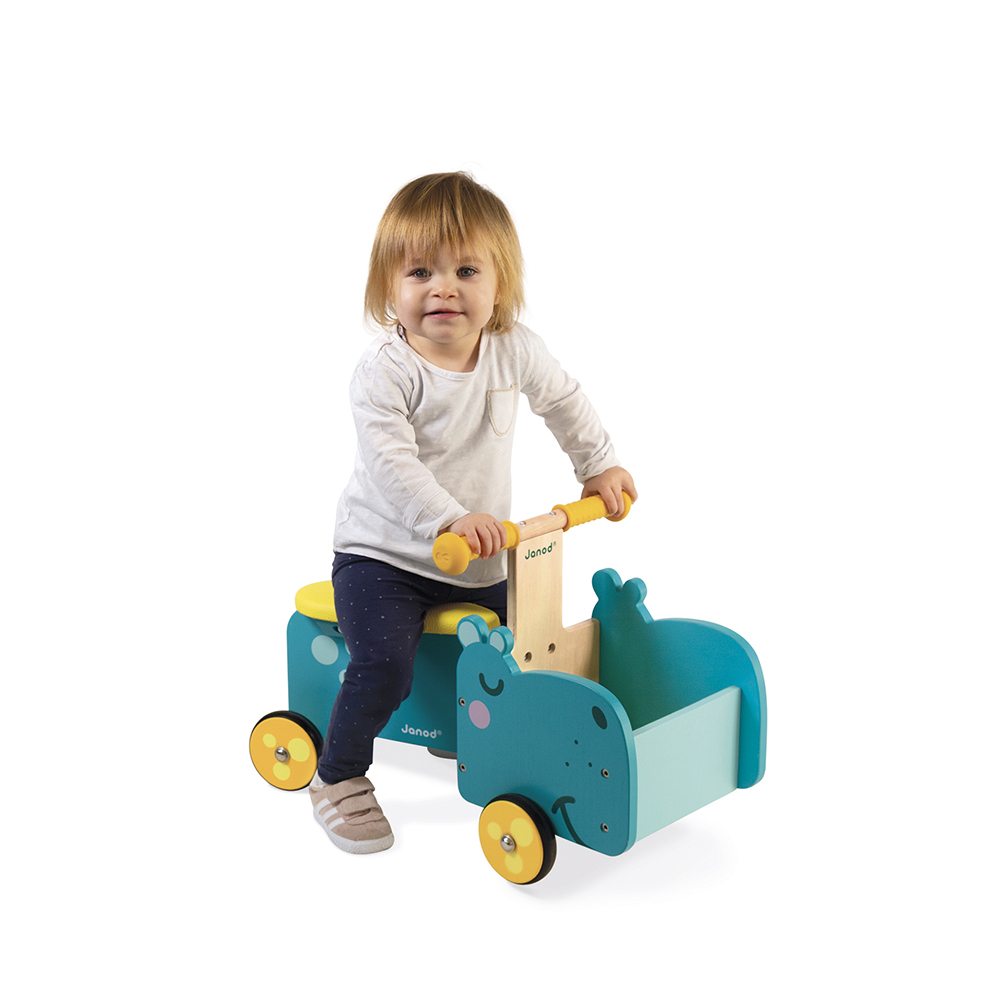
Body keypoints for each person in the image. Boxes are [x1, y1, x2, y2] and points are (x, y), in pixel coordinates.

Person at [309, 172, 637, 853]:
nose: (443, 289)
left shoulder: (514, 348)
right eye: (419, 272)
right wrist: (451, 517)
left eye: (465, 271)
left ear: (500, 284)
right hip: (385, 557)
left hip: (477, 556)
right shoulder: (386, 371)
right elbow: (391, 463)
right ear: (388, 288)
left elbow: (563, 401)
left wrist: (598, 465)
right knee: (385, 665)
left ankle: (483, 733)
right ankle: (337, 775)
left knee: (526, 646)